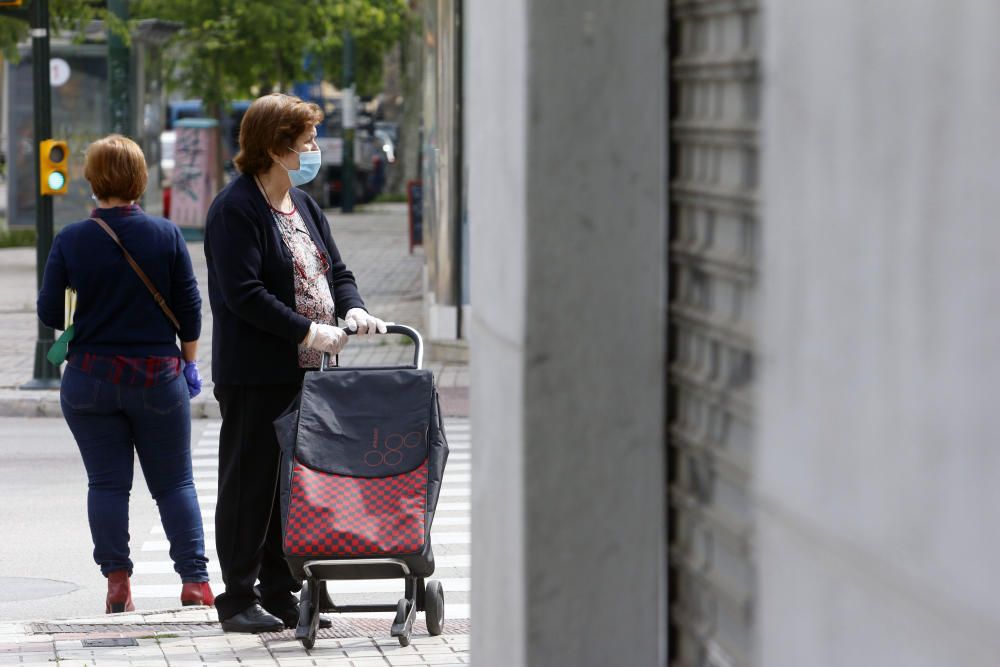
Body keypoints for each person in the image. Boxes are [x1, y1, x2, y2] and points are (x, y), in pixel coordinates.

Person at [205, 93, 389, 633]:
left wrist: (353, 309)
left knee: (293, 487)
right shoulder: (235, 209)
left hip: (309, 370)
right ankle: (237, 598)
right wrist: (309, 328)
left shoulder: (303, 204)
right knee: (250, 484)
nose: (314, 147)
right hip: (256, 372)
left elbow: (338, 270)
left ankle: (281, 591)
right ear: (276, 146)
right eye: (306, 139)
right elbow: (244, 293)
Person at [36, 134, 214, 613]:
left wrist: (86, 313)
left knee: (108, 485)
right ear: (141, 179)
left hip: (90, 377)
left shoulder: (71, 239)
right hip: (158, 376)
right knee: (175, 482)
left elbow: (51, 309)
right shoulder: (166, 234)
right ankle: (195, 583)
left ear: (93, 180)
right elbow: (191, 311)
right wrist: (190, 364)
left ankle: (118, 582)